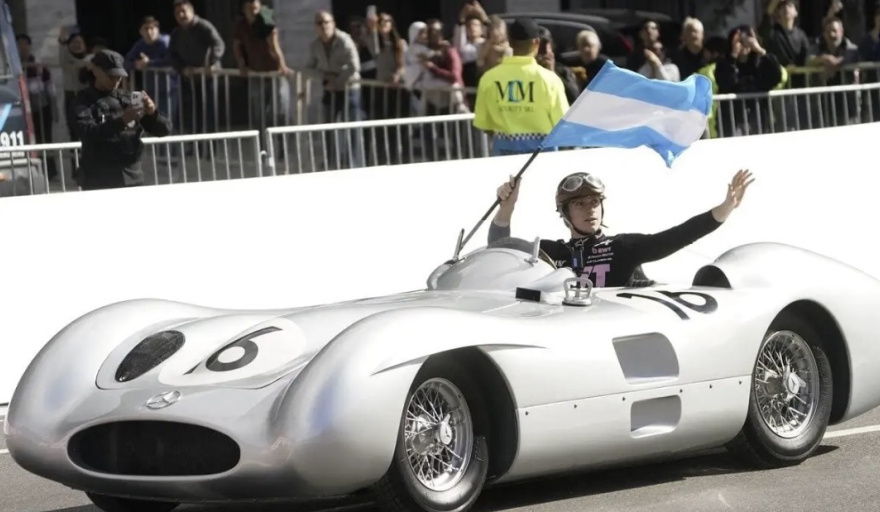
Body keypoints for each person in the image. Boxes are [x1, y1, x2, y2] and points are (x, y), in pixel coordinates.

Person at [488, 169, 754, 288]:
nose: (590, 209)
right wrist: (507, 207)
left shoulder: (622, 247)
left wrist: (725, 208)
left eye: (595, 202)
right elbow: (499, 252)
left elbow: (679, 235)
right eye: (580, 204)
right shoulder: (550, 252)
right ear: (565, 214)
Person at [69, 49, 172, 191]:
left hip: (132, 176)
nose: (116, 81)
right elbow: (87, 132)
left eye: (119, 77)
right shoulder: (83, 101)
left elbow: (164, 129)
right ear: (96, 71)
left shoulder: (126, 99)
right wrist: (122, 121)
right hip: (100, 178)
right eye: (111, 76)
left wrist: (152, 113)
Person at [472, 17, 569, 156]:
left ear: (510, 42)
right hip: (542, 158)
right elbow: (562, 124)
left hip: (503, 157)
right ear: (536, 42)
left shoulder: (488, 78)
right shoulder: (550, 79)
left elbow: (485, 125)